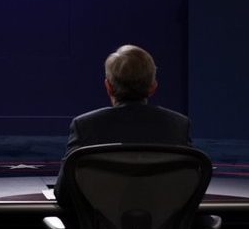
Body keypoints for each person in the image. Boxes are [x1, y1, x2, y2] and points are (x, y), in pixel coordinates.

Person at [54, 44, 192, 203]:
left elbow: (64, 193)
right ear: (153, 87)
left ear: (108, 87)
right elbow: (187, 189)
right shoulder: (178, 125)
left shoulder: (85, 126)